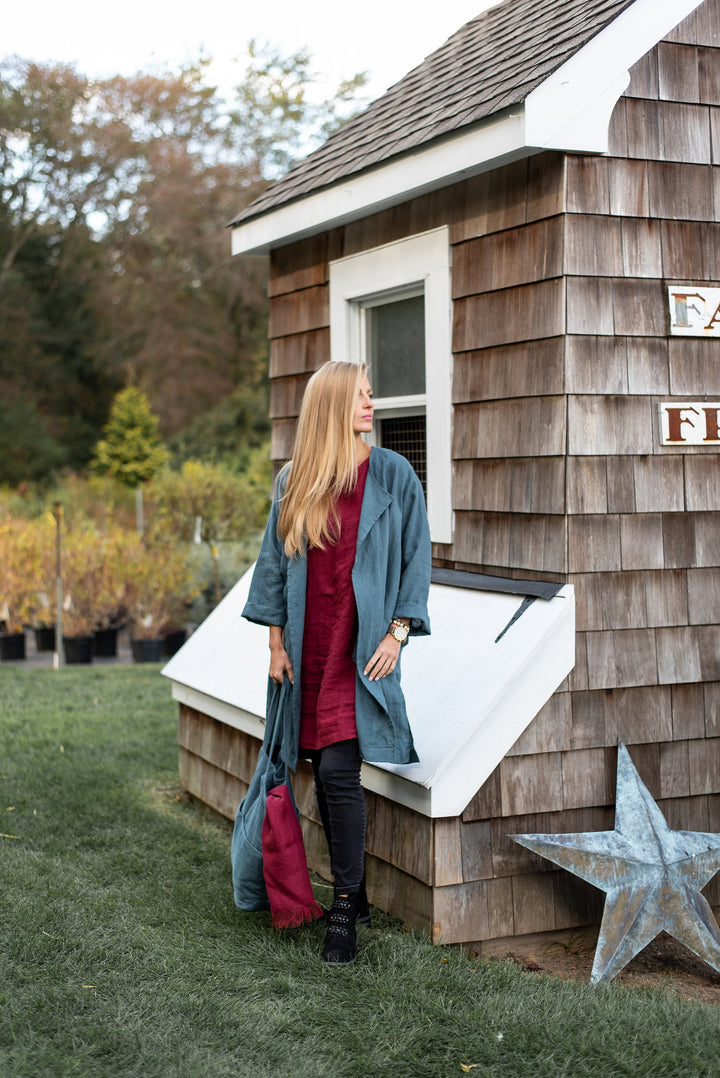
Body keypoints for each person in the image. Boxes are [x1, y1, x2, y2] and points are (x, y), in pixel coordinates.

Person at [242, 360, 431, 966]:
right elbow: (273, 567)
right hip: (306, 653)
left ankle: (344, 909)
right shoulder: (293, 481)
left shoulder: (394, 475)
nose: (371, 405)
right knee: (324, 767)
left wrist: (398, 634)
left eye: (372, 395)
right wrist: (275, 645)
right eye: (360, 397)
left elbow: (415, 561)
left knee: (336, 773)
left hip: (362, 654)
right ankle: (362, 892)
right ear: (331, 407)